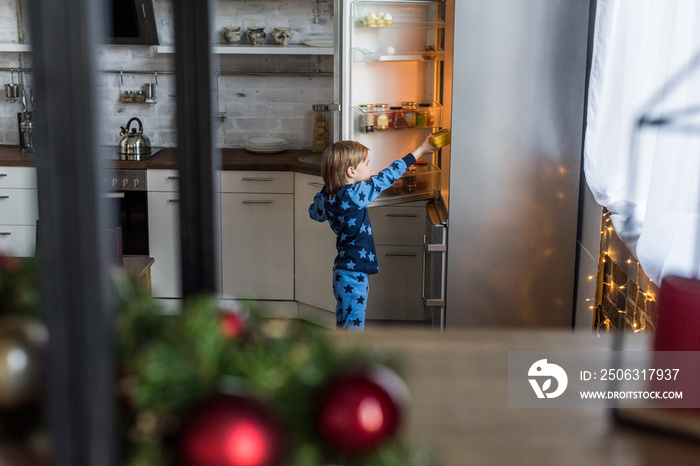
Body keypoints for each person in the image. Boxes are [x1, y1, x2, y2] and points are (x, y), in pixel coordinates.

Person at [308, 136, 437, 330]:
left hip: (342, 272)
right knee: (353, 328)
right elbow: (387, 176)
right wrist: (420, 150)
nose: (370, 168)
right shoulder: (353, 195)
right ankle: (353, 359)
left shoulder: (328, 199)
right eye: (367, 164)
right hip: (355, 273)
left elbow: (313, 212)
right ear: (351, 171)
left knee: (344, 323)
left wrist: (328, 184)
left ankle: (340, 357)